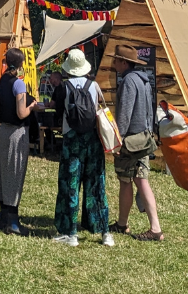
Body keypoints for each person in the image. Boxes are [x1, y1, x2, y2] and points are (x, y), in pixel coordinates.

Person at [52, 49, 114, 247]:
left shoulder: (64, 87)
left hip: (72, 141)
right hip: (93, 140)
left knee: (69, 185)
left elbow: (57, 112)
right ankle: (104, 232)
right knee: (96, 185)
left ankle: (70, 233)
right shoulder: (94, 86)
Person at [109, 45, 163, 241]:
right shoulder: (144, 80)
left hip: (131, 141)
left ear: (124, 62)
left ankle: (154, 228)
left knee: (135, 182)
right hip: (143, 137)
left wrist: (118, 139)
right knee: (133, 181)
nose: (114, 63)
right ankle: (122, 223)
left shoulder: (129, 81)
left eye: (116, 60)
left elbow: (124, 113)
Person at [0, 47, 42, 234]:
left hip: (3, 131)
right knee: (14, 173)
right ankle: (13, 222)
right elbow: (22, 113)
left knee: (3, 173)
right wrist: (32, 105)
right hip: (16, 132)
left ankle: (3, 217)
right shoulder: (19, 84)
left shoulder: (3, 80)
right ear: (21, 64)